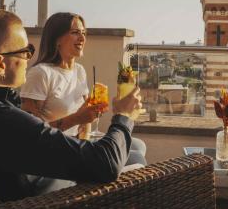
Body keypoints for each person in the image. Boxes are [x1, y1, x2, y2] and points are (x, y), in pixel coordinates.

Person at [0, 8, 142, 202]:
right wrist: (123, 115)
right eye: (25, 51)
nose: (29, 59)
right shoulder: (1, 120)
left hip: (46, 182)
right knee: (135, 160)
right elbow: (106, 164)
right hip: (64, 198)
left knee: (132, 151)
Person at [20, 12, 147, 165]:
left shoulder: (79, 70)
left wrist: (86, 143)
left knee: (138, 145)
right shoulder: (41, 73)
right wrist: (76, 119)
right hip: (55, 149)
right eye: (75, 33)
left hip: (77, 143)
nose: (82, 38)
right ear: (56, 39)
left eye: (83, 33)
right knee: (136, 158)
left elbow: (86, 117)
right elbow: (30, 136)